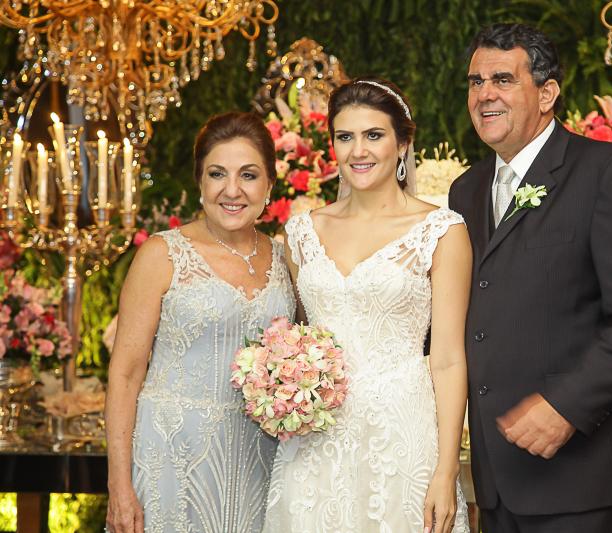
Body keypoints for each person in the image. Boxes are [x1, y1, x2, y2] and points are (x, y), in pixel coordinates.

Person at [448, 23, 612, 533]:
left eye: (503, 80)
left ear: (547, 93)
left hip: (586, 479)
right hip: (497, 481)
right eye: (475, 81)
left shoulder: (607, 172)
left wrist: (566, 408)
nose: (484, 94)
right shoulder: (466, 190)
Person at [264, 78, 472, 533]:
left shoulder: (441, 231)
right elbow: (299, 336)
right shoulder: (301, 232)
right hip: (315, 440)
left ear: (403, 144)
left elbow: (449, 359)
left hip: (402, 434)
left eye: (374, 135)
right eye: (345, 136)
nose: (358, 151)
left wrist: (446, 470)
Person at [104, 112, 295, 533]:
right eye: (217, 174)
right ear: (200, 182)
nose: (232, 190)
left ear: (269, 185)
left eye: (248, 175)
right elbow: (125, 374)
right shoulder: (161, 255)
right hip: (172, 459)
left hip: (258, 459)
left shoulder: (286, 260)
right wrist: (119, 485)